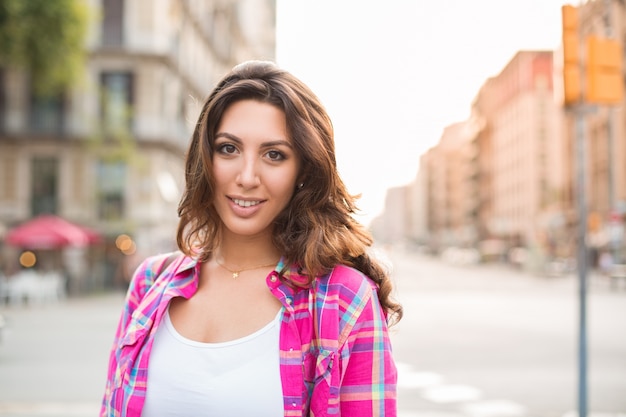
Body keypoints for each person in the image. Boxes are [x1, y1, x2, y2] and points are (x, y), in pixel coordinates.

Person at [101, 60, 403, 417]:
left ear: (302, 170)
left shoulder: (344, 300)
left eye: (274, 155)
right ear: (205, 158)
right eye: (229, 148)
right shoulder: (150, 282)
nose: (247, 176)